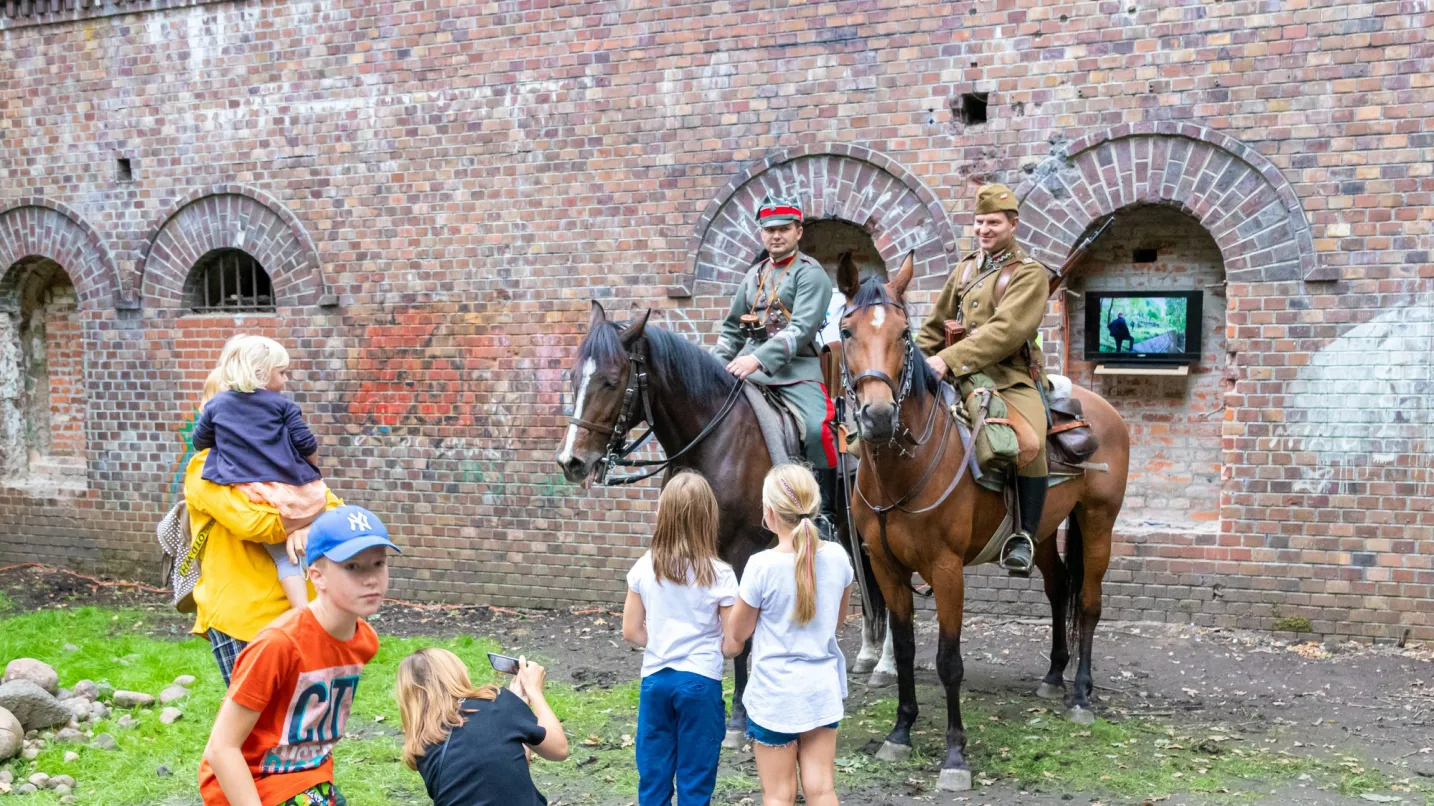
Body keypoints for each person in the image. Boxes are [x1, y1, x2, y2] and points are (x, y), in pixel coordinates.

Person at [200, 504, 399, 806]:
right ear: (317, 576)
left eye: (378, 563)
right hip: (254, 783)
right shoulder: (279, 645)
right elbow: (221, 748)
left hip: (309, 777)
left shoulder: (365, 641)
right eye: (352, 567)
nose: (370, 578)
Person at [914, 183, 1055, 577]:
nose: (984, 229)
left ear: (1013, 224)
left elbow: (1005, 332)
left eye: (993, 222)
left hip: (1008, 377)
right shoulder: (966, 269)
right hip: (956, 374)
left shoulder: (1029, 274)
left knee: (1029, 441)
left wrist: (947, 359)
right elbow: (933, 326)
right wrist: (912, 363)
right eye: (979, 222)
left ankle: (1024, 536)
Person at [723, 464, 853, 806]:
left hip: (774, 696)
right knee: (822, 789)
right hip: (821, 691)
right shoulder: (839, 558)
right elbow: (836, 622)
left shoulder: (761, 566)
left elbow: (738, 631)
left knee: (779, 795)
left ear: (769, 512)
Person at [714, 195, 840, 520]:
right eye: (769, 230)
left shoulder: (810, 274)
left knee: (817, 429)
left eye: (784, 228)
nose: (776, 235)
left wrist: (756, 360)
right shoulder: (753, 275)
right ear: (761, 234)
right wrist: (714, 366)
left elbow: (800, 330)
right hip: (747, 367)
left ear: (799, 231)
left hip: (796, 370)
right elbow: (731, 330)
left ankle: (824, 511)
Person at [621, 472, 738, 806]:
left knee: (654, 778)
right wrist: (712, 649)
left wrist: (659, 640)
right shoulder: (721, 574)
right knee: (696, 781)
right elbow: (732, 643)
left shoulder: (644, 568)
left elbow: (631, 631)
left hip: (656, 682)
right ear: (708, 517)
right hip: (700, 684)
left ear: (663, 514)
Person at [193, 335, 332, 611]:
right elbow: (306, 444)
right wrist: (311, 469)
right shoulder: (284, 406)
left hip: (250, 491)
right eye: (282, 373)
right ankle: (310, 610)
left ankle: (302, 609)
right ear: (260, 373)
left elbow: (200, 441)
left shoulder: (216, 406)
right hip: (289, 489)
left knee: (283, 556)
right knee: (308, 540)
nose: (286, 379)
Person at [396, 648, 568, 806]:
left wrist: (519, 705)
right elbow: (558, 750)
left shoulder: (421, 742)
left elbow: (507, 769)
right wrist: (534, 691)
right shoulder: (495, 703)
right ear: (456, 673)